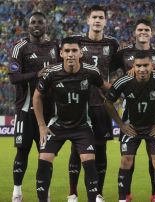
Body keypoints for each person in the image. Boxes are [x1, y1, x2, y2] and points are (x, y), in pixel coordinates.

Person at [33, 37, 109, 202]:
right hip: (57, 125)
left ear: (81, 53)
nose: (70, 54)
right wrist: (41, 126)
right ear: (61, 53)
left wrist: (128, 84)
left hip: (82, 126)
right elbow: (36, 97)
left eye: (74, 50)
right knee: (44, 161)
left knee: (89, 163)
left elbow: (107, 88)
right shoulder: (51, 73)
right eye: (67, 51)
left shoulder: (91, 71)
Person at [104, 51, 155, 202]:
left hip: (153, 127)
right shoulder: (124, 80)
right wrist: (121, 124)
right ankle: (122, 198)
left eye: (146, 65)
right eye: (138, 66)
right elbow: (107, 102)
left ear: (152, 66)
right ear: (133, 66)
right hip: (132, 127)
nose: (142, 69)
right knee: (126, 159)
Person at [113, 19, 155, 202]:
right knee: (128, 158)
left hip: (154, 116)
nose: (143, 32)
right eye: (140, 29)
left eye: (147, 29)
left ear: (151, 33)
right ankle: (126, 195)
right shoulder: (123, 53)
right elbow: (106, 71)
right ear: (135, 33)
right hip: (131, 117)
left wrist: (154, 73)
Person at [67, 5, 119, 202]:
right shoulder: (77, 42)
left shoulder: (112, 44)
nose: (97, 20)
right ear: (88, 20)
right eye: (94, 17)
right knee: (76, 149)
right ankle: (72, 193)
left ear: (106, 21)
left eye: (101, 17)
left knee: (100, 149)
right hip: (79, 104)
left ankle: (98, 193)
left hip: (102, 104)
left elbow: (117, 67)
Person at [8, 11, 60, 202]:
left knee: (46, 155)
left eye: (40, 22)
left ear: (46, 26)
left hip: (49, 113)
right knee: (22, 151)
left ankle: (44, 191)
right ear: (28, 26)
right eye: (33, 22)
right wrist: (37, 74)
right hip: (25, 111)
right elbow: (13, 77)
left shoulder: (55, 46)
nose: (36, 25)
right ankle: (17, 191)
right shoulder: (20, 47)